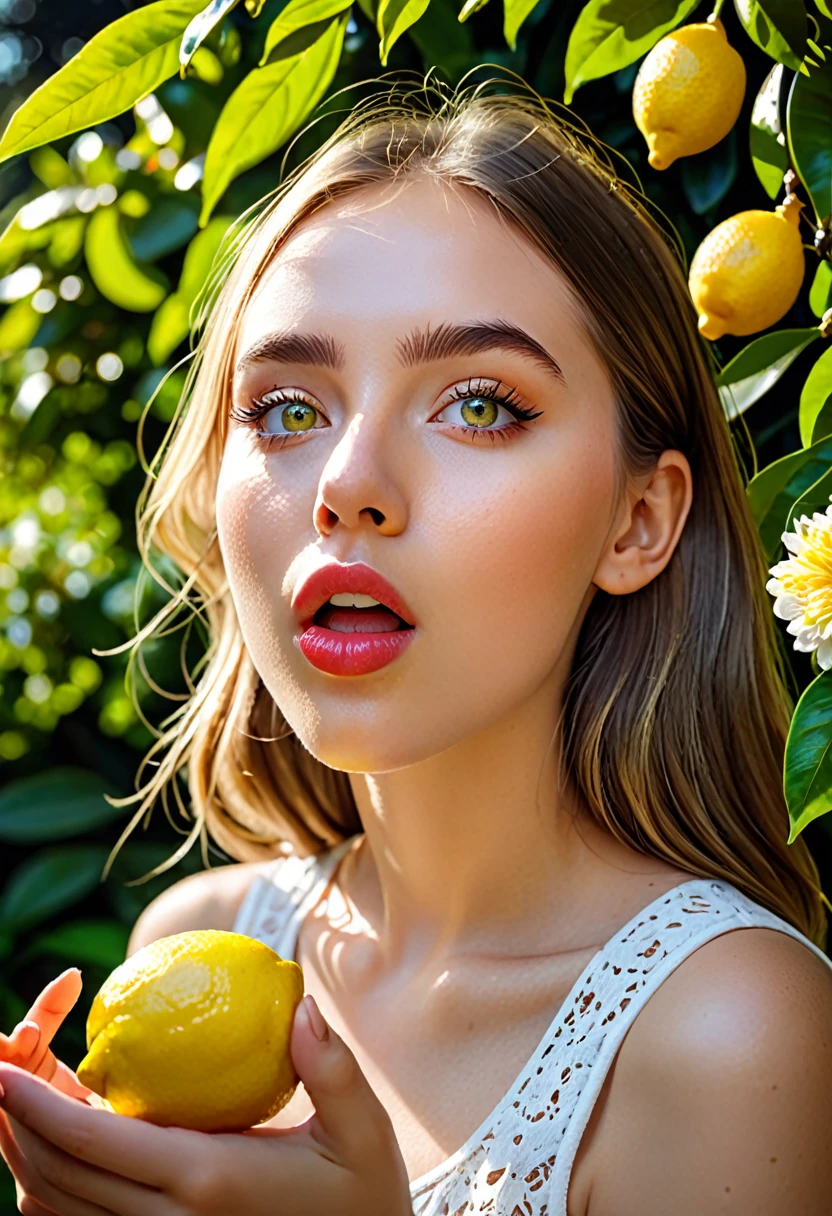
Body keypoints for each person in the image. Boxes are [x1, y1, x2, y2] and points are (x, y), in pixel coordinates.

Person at [2, 73, 832, 1216]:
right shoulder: (196, 940)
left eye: (480, 403)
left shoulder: (730, 1033)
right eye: (288, 409)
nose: (348, 485)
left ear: (639, 520)